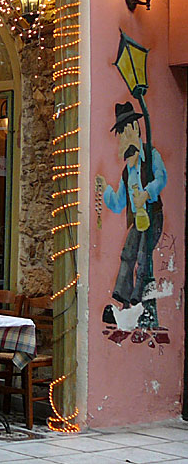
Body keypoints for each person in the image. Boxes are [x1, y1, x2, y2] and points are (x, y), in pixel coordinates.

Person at [95, 102, 167, 309]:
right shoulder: (127, 172)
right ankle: (124, 299)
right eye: (122, 136)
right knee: (128, 254)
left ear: (136, 130)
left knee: (144, 257)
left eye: (127, 133)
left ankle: (140, 301)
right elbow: (118, 204)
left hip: (152, 215)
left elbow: (161, 178)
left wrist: (146, 194)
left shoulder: (151, 155)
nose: (125, 140)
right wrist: (105, 188)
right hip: (138, 219)